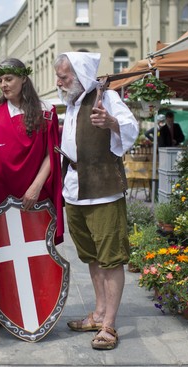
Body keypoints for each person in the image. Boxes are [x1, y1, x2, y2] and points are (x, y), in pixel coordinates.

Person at [0, 58, 64, 333]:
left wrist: (35, 186)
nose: (3, 84)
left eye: (8, 78)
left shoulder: (46, 111)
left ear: (23, 78)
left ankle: (38, 310)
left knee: (35, 257)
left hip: (32, 198)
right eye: (0, 80)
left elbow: (51, 155)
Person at [54, 52, 138, 350]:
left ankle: (109, 326)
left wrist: (111, 122)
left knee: (110, 258)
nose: (59, 81)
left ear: (79, 76)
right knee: (91, 256)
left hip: (103, 191)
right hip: (75, 190)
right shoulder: (72, 103)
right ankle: (99, 312)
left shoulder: (108, 98)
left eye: (63, 77)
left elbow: (131, 129)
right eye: (59, 76)